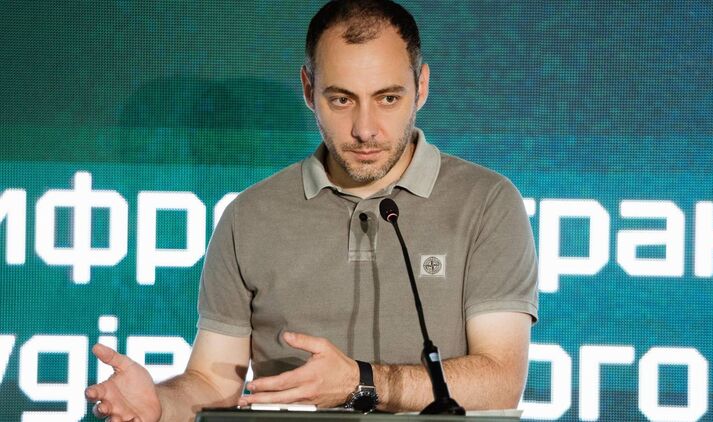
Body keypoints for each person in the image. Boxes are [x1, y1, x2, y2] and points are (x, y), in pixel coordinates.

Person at [85, 0, 538, 420]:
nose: (364, 129)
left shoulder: (487, 202)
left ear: (421, 88)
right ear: (308, 88)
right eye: (341, 100)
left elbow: (499, 382)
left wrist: (361, 383)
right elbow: (213, 381)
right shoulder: (249, 216)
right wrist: (160, 405)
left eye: (387, 98)